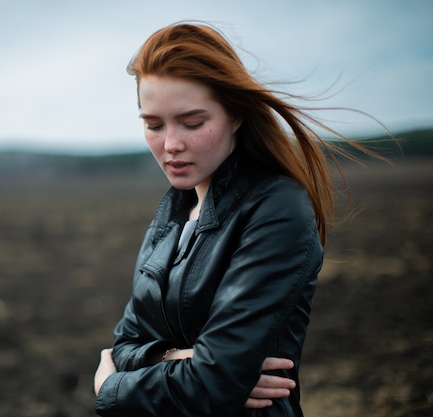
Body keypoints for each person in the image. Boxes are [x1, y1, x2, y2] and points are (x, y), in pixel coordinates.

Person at [93, 21, 361, 416]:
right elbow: (124, 345)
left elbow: (211, 384)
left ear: (235, 115)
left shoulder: (277, 209)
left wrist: (112, 388)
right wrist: (176, 357)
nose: (170, 144)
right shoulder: (171, 214)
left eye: (193, 122)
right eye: (153, 125)